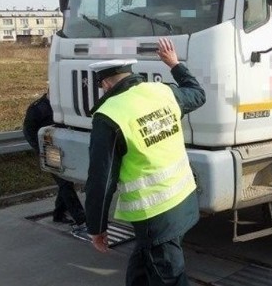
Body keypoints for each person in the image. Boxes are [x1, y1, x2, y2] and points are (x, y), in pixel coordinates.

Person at [85, 37, 205, 286]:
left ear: (105, 83)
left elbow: (101, 180)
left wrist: (96, 227)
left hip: (156, 215)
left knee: (169, 276)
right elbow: (197, 94)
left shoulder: (108, 116)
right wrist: (174, 64)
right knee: (143, 266)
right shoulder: (162, 92)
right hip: (183, 200)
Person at [22, 91, 86, 229]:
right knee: (65, 183)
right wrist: (40, 150)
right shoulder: (37, 108)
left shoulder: (63, 106)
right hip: (50, 151)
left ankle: (59, 214)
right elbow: (28, 131)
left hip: (64, 150)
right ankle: (81, 218)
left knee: (66, 181)